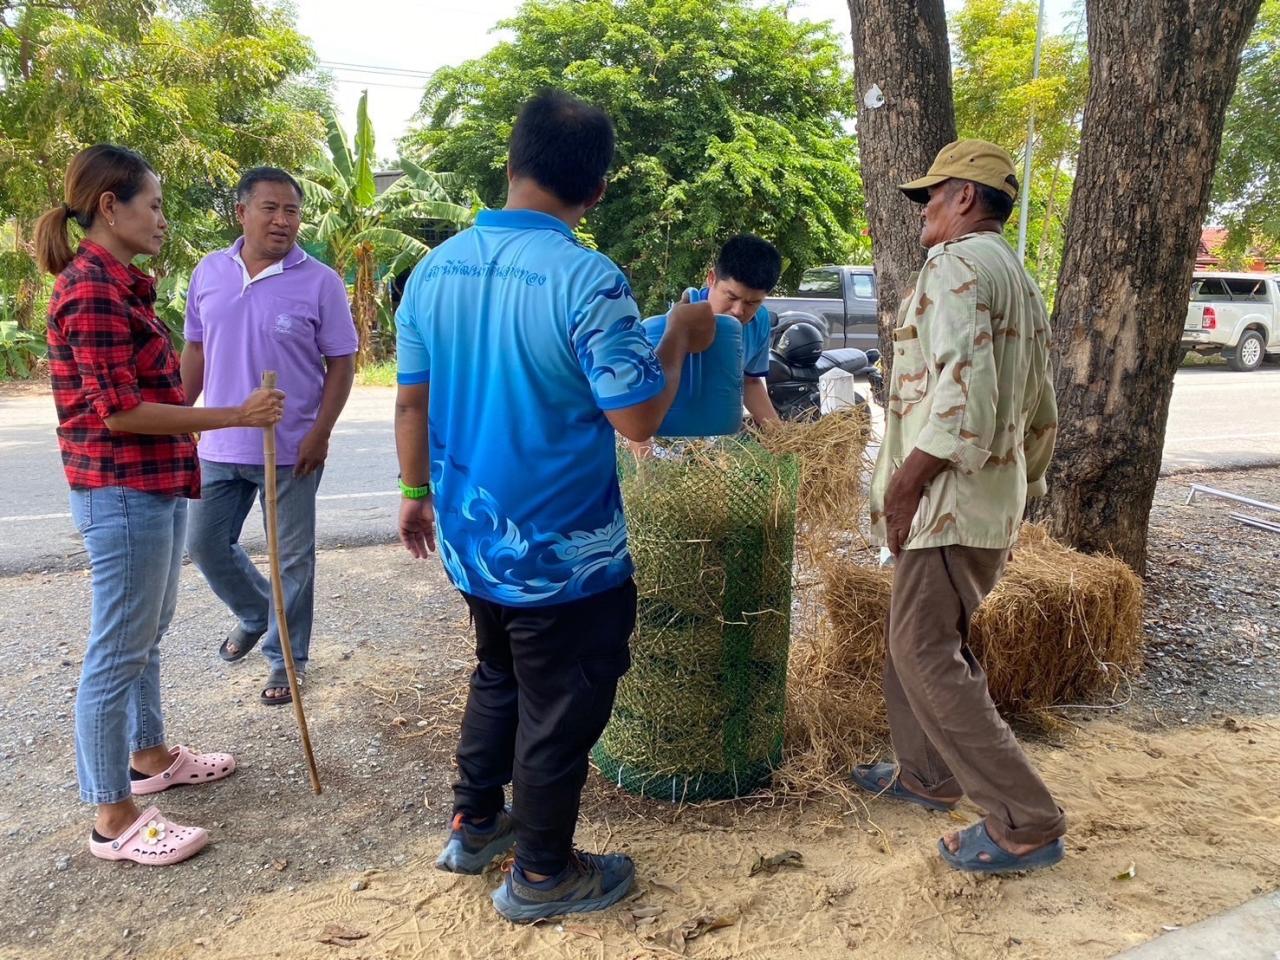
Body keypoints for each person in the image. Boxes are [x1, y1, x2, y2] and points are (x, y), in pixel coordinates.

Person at [394, 90, 715, 922]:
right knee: (561, 705)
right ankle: (541, 874)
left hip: (473, 539)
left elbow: (410, 406)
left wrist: (413, 496)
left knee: (498, 672)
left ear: (510, 164)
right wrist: (676, 338)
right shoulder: (588, 279)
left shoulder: (433, 270)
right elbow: (637, 417)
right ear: (597, 190)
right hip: (564, 555)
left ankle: (473, 824)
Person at [37, 144, 284, 866]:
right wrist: (236, 415)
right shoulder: (90, 290)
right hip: (120, 489)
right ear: (110, 207)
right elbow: (120, 411)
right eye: (153, 205)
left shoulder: (123, 284)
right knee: (116, 649)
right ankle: (112, 817)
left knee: (146, 632)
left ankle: (150, 759)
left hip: (152, 485)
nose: (162, 219)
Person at [854, 139, 1066, 874]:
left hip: (944, 497)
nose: (924, 211)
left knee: (923, 648)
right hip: (983, 496)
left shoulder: (955, 266)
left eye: (932, 196)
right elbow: (1041, 408)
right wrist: (1018, 486)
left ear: (967, 198)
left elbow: (962, 394)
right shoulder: (1018, 276)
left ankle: (1024, 820)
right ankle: (926, 775)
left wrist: (905, 487)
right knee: (913, 636)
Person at [181, 167, 358, 706]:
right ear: (242, 212)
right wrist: (180, 417)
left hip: (292, 449)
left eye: (292, 211)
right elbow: (195, 350)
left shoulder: (320, 281)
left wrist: (321, 433)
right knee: (205, 544)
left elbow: (343, 363)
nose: (283, 220)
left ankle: (286, 661)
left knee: (292, 561)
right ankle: (256, 610)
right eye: (270, 208)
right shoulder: (209, 271)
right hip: (220, 442)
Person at [684, 234, 782, 427]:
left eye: (752, 303)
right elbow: (643, 392)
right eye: (731, 297)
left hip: (721, 435)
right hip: (672, 437)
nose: (738, 311)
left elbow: (750, 382)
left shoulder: (760, 320)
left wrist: (782, 438)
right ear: (712, 279)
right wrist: (645, 457)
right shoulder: (680, 319)